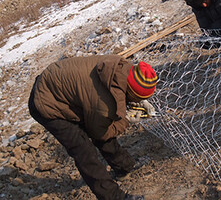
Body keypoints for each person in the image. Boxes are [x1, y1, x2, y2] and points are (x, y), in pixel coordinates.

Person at [28, 54, 158, 200]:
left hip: (66, 91)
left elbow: (109, 101)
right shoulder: (103, 104)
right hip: (47, 103)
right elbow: (100, 134)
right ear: (132, 94)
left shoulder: (120, 67)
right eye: (139, 98)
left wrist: (136, 101)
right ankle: (114, 197)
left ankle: (124, 167)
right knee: (84, 150)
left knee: (101, 122)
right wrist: (126, 120)